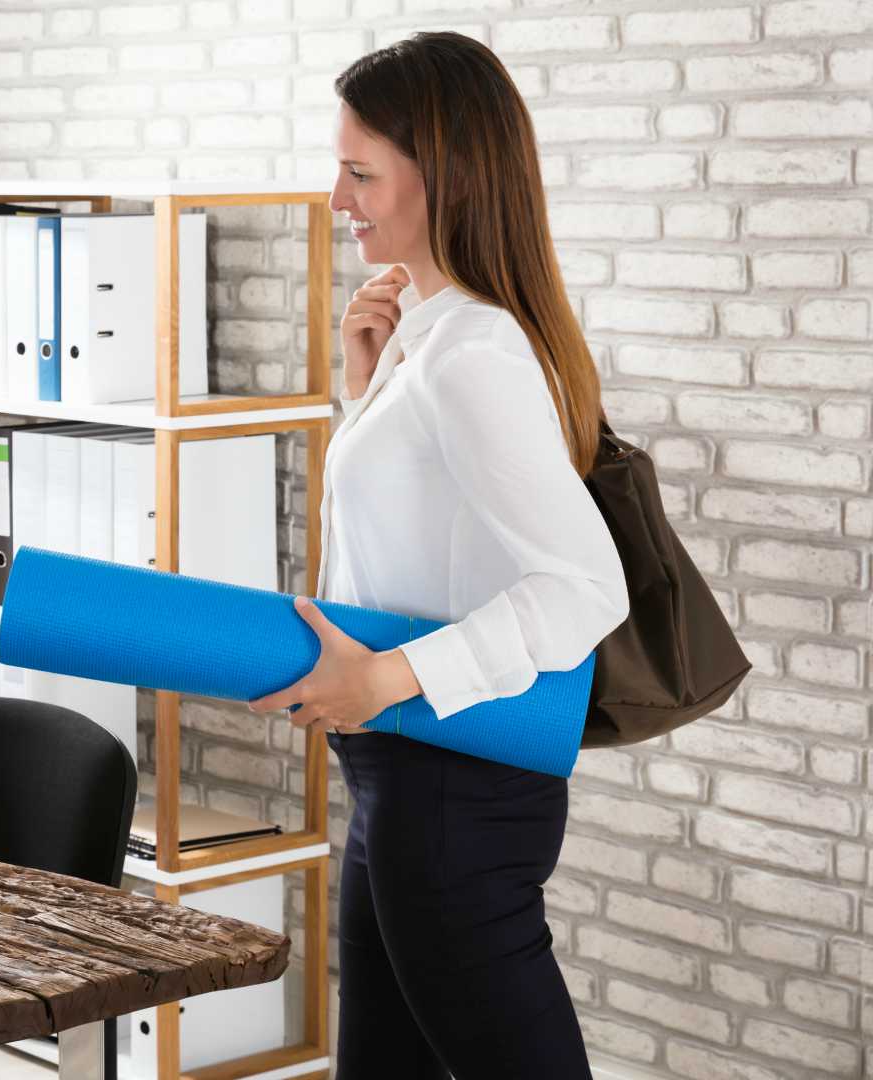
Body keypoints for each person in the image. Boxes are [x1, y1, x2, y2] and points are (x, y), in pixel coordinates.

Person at [246, 32, 630, 1079]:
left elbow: (586, 588)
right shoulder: (433, 338)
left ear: (444, 178)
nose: (337, 200)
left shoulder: (474, 355)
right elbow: (411, 534)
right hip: (404, 779)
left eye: (361, 173)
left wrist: (385, 675)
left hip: (451, 789)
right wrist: (365, 389)